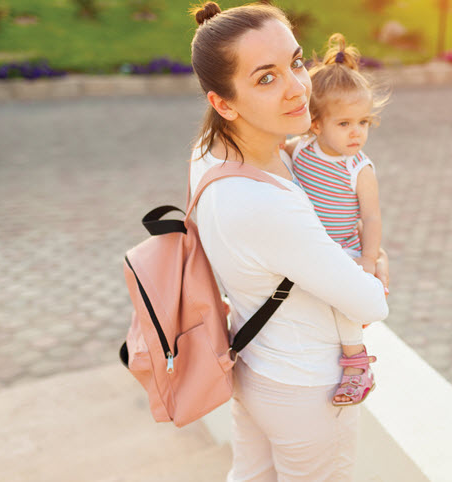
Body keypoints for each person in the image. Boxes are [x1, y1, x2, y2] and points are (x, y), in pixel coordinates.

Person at [188, 2, 389, 481]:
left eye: (296, 62)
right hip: (306, 391)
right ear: (223, 103)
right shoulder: (266, 205)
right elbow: (369, 304)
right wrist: (376, 265)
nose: (299, 86)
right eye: (265, 78)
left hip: (252, 367)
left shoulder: (209, 154)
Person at [285, 33, 389, 407]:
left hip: (343, 249)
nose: (357, 132)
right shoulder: (302, 149)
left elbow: (372, 217)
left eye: (363, 122)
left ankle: (357, 364)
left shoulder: (359, 169)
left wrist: (368, 259)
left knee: (344, 301)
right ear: (315, 125)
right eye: (344, 123)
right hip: (309, 247)